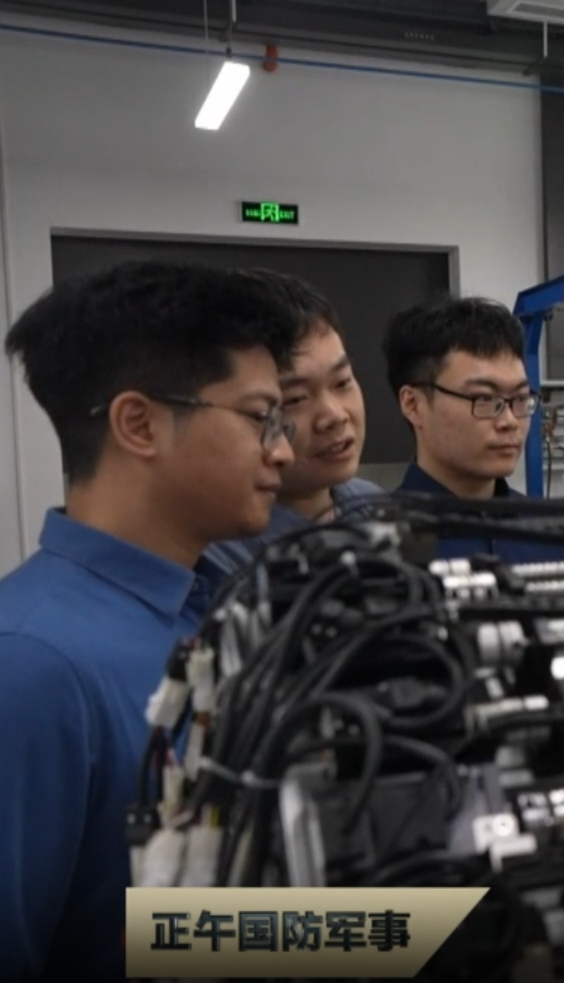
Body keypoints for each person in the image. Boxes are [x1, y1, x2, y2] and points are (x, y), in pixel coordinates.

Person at [0, 262, 297, 981]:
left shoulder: (225, 608)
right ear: (139, 424)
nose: (283, 450)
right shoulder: (32, 665)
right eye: (260, 418)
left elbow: (183, 930)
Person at [198, 271, 381, 594]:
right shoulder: (215, 552)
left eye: (342, 383)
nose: (335, 416)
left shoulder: (375, 505)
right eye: (294, 399)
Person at [383, 295, 564, 564]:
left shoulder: (551, 534)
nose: (509, 420)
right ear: (413, 405)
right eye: (484, 398)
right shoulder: (374, 546)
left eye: (520, 398)